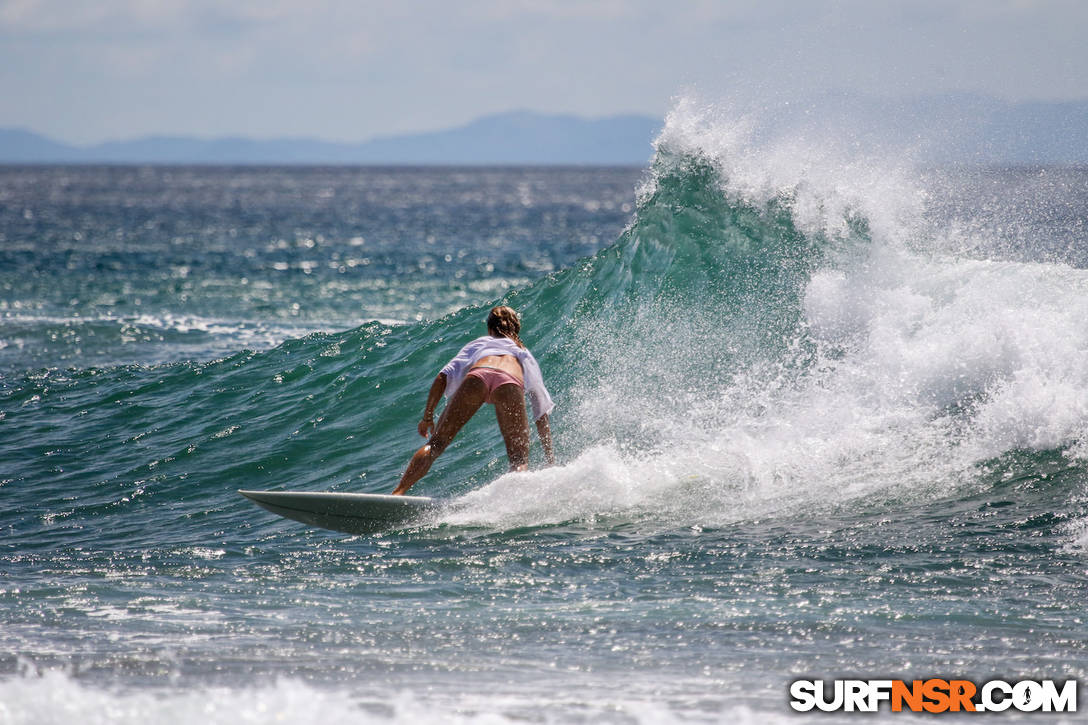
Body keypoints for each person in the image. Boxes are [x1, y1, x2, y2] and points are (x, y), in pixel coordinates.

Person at [392, 305, 555, 495]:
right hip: (510, 381)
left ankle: (398, 493)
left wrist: (428, 417)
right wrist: (549, 457)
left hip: (479, 376)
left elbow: (442, 377)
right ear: (516, 329)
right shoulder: (523, 352)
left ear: (490, 329)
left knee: (435, 445)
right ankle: (513, 501)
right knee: (518, 459)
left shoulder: (480, 343)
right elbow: (540, 406)